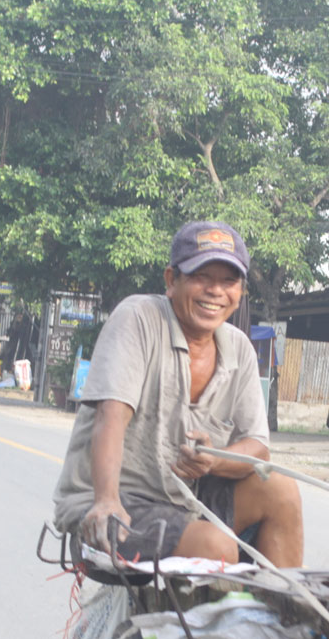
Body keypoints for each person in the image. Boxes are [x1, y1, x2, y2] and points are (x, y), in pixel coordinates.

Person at [52, 220, 303, 568]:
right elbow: (111, 415)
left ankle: (285, 613)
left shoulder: (240, 349)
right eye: (202, 277)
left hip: (188, 501)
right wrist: (106, 500)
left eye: (228, 281)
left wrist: (214, 459)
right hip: (121, 502)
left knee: (280, 488)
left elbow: (257, 447)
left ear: (241, 291)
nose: (215, 291)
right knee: (214, 547)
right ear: (172, 280)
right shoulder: (138, 317)